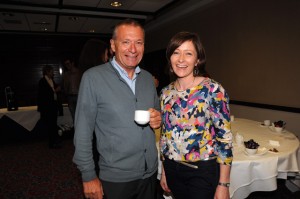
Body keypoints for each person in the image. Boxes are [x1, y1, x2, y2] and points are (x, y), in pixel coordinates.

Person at [73, 19, 162, 199]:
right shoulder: (93, 78)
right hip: (116, 179)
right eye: (126, 42)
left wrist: (158, 118)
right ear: (113, 45)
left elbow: (158, 115)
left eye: (138, 43)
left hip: (150, 174)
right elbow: (82, 132)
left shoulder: (147, 79)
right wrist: (88, 175)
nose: (133, 49)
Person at [159, 31, 233, 199]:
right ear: (170, 57)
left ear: (197, 59)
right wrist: (164, 170)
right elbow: (166, 136)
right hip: (172, 169)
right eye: (176, 52)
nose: (181, 59)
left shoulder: (213, 90)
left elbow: (225, 139)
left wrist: (223, 184)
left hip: (202, 171)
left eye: (188, 53)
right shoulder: (165, 93)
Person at [37, 65, 62, 149]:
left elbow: (53, 90)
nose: (53, 73)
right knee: (50, 126)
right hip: (47, 108)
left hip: (53, 107)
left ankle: (54, 142)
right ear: (47, 72)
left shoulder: (51, 80)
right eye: (52, 71)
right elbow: (43, 95)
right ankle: (52, 144)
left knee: (53, 125)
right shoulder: (42, 81)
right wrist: (55, 90)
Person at [62, 57, 82, 122]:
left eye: (68, 64)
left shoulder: (79, 73)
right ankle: (76, 129)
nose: (67, 66)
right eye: (66, 64)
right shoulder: (66, 74)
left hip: (78, 96)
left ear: (72, 63)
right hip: (70, 97)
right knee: (73, 114)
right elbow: (64, 86)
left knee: (80, 114)